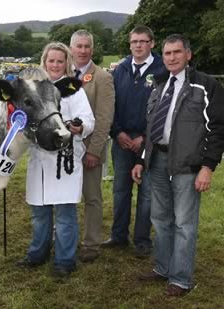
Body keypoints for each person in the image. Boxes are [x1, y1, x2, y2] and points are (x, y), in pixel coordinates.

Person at [132, 34, 224, 297]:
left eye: (177, 52)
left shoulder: (206, 86)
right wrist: (141, 159)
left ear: (188, 54)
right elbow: (151, 126)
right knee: (160, 218)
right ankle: (162, 267)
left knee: (184, 223)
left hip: (188, 165)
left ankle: (181, 279)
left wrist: (208, 166)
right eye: (167, 53)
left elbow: (218, 128)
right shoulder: (159, 84)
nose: (171, 57)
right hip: (157, 160)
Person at [16, 42, 95, 277]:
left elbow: (89, 120)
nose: (55, 65)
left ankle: (64, 260)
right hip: (40, 160)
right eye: (51, 60)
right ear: (44, 61)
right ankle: (37, 253)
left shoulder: (74, 90)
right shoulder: (33, 89)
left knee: (64, 214)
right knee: (40, 212)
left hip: (64, 160)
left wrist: (79, 127)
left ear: (67, 63)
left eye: (60, 61)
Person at [105, 25, 166, 258]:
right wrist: (117, 132)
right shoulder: (120, 69)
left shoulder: (162, 70)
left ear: (152, 43)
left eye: (143, 41)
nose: (138, 45)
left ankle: (142, 239)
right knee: (120, 189)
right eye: (134, 42)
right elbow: (111, 106)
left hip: (149, 141)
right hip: (121, 140)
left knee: (147, 192)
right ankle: (118, 235)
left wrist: (145, 137)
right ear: (129, 44)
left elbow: (163, 109)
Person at [70, 30, 115, 262]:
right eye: (79, 46)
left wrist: (94, 151)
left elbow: (104, 118)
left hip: (89, 150)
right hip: (65, 151)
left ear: (93, 49)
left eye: (87, 46)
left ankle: (91, 243)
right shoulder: (63, 73)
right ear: (71, 48)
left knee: (92, 197)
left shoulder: (103, 78)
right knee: (64, 197)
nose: (83, 50)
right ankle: (64, 238)